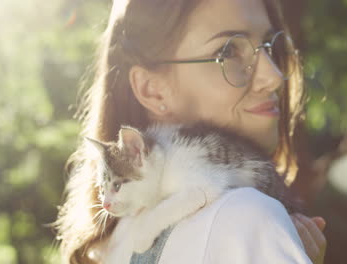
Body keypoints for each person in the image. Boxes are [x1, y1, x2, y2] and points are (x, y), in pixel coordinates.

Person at [55, 0, 327, 263]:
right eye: (227, 51)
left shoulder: (111, 243)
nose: (274, 76)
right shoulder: (245, 217)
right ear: (152, 89)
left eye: (269, 46)